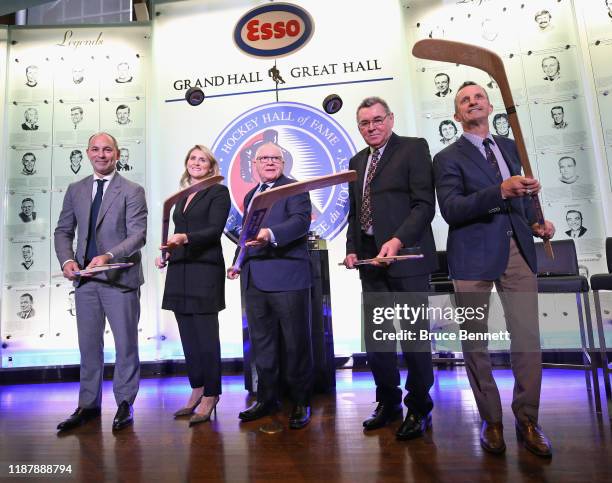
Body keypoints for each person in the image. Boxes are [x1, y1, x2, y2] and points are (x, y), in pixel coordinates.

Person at [434, 81, 555, 458]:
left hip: (518, 249)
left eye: (478, 97)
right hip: (471, 256)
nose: (472, 102)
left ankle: (528, 420)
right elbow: (452, 209)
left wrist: (536, 222)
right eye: (464, 100)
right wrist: (500, 192)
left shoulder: (508, 147)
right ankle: (492, 421)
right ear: (457, 115)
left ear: (489, 107)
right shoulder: (446, 158)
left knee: (527, 340)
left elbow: (522, 196)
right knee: (476, 344)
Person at [343, 96, 438, 440]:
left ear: (391, 119)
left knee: (414, 339)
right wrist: (353, 249)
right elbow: (356, 212)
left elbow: (424, 205)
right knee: (378, 340)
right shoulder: (356, 160)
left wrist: (397, 240)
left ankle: (419, 407)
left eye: (378, 120)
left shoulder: (413, 149)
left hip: (407, 255)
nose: (372, 127)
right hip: (370, 263)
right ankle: (388, 402)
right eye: (365, 123)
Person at [54, 132, 147, 432]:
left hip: (119, 279)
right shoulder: (75, 189)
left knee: (126, 346)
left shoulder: (132, 190)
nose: (101, 154)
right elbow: (63, 231)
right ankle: (88, 405)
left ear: (117, 154)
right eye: (95, 149)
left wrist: (108, 255)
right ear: (88, 153)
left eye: (107, 150)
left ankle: (124, 404)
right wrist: (67, 260)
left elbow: (138, 236)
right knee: (88, 347)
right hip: (85, 281)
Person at [227, 142, 314, 429]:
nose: (269, 162)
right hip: (255, 279)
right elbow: (247, 235)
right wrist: (238, 262)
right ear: (254, 165)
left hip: (288, 277)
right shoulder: (252, 195)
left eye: (275, 157)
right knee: (262, 345)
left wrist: (270, 233)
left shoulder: (294, 188)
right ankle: (267, 398)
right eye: (263, 158)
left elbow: (301, 223)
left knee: (295, 343)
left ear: (283, 162)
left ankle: (301, 400)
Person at [155, 145, 230, 426]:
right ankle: (197, 388)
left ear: (211, 167)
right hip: (180, 269)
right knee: (187, 336)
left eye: (203, 160)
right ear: (186, 163)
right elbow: (175, 234)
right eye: (192, 158)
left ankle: (212, 393)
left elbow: (213, 231)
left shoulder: (219, 192)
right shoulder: (181, 197)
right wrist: (165, 253)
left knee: (206, 338)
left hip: (204, 270)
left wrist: (184, 238)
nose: (196, 163)